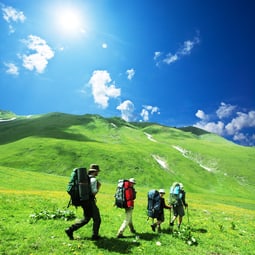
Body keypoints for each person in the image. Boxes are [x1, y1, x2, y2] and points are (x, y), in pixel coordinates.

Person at [65, 164, 102, 240]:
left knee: (86, 219)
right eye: (98, 171)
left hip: (84, 201)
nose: (98, 173)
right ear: (95, 172)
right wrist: (98, 187)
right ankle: (95, 236)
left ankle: (70, 230)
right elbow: (93, 192)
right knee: (97, 219)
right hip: (90, 202)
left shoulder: (85, 179)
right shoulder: (94, 180)